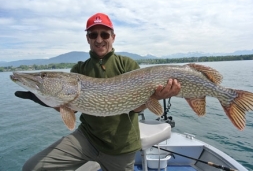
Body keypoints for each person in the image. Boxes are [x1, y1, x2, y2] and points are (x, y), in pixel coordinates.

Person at [15, 13, 181, 171]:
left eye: (104, 34)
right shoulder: (79, 69)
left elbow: (135, 108)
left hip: (121, 145)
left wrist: (154, 97)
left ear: (113, 37)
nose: (99, 39)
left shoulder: (127, 65)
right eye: (93, 35)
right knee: (33, 167)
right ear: (88, 38)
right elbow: (71, 109)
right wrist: (46, 99)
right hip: (87, 139)